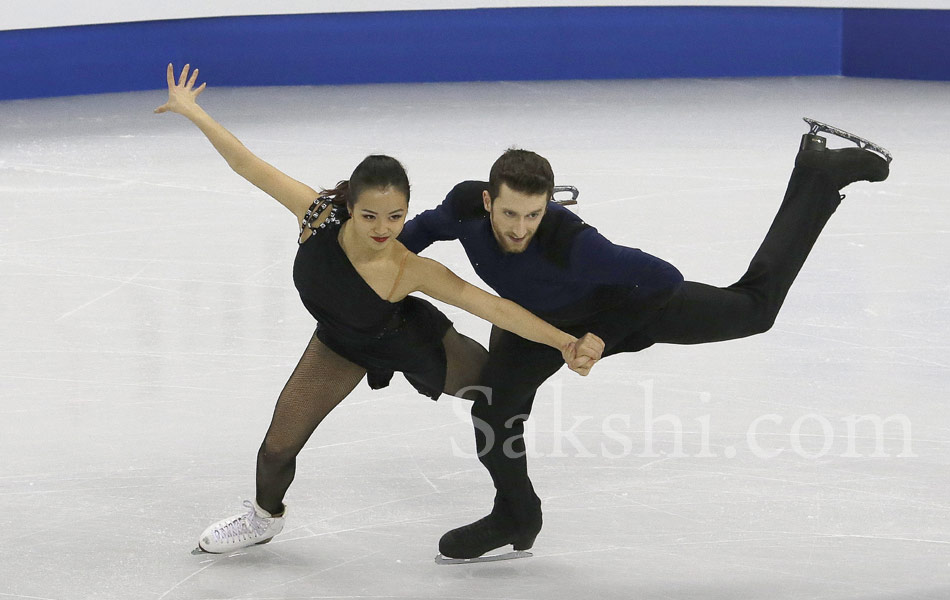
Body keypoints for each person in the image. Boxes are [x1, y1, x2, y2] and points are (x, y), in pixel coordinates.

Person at [154, 64, 605, 554]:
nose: (383, 228)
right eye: (370, 215)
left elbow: (490, 306)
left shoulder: (409, 268)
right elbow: (246, 164)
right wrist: (193, 110)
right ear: (349, 207)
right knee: (279, 443)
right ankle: (264, 518)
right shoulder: (316, 215)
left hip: (412, 343)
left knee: (499, 397)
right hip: (340, 343)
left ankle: (518, 511)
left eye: (396, 217)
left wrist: (564, 341)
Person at [399, 130, 890, 559]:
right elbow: (417, 233)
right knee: (492, 412)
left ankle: (819, 177)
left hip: (621, 311)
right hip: (532, 324)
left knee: (755, 311)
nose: (520, 228)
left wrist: (603, 336)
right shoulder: (464, 207)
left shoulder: (573, 244)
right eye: (509, 213)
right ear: (488, 201)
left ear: (548, 204)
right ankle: (517, 517)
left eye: (533, 214)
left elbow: (662, 279)